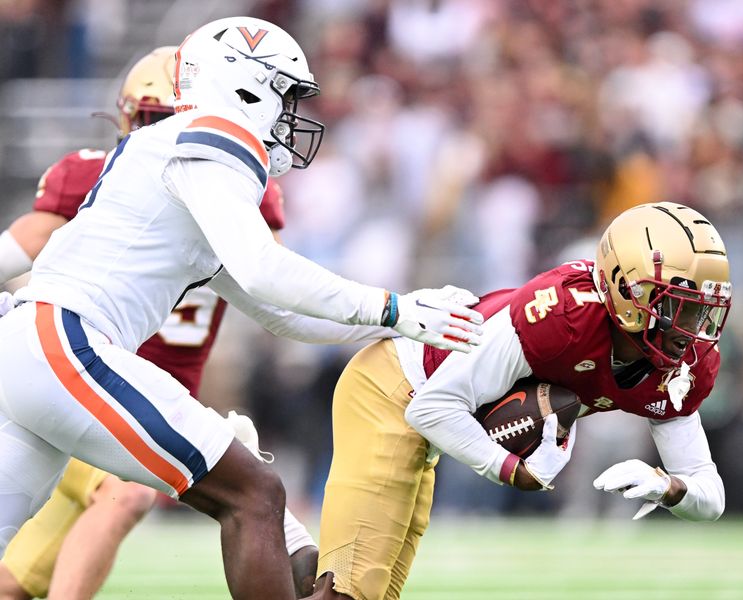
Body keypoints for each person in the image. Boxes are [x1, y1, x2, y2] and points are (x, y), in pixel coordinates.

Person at [0, 17, 484, 600]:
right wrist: (393, 308)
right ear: (246, 85)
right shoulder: (215, 131)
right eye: (285, 95)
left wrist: (398, 324)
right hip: (65, 342)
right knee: (254, 493)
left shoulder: (177, 158)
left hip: (37, 350)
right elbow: (264, 268)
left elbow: (280, 311)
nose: (290, 115)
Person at [0, 46, 320, 599]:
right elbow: (17, 249)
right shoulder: (95, 177)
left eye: (165, 119)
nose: (162, 134)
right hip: (83, 379)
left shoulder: (236, 189)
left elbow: (272, 286)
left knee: (14, 583)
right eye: (150, 121)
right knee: (141, 496)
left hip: (153, 404)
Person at [310, 201, 732, 600]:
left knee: (373, 590)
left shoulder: (684, 367)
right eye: (678, 306)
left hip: (429, 417)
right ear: (626, 289)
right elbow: (431, 407)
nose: (692, 329)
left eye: (701, 309)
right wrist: (513, 471)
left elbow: (709, 495)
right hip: (395, 387)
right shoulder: (562, 318)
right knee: (350, 590)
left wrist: (668, 487)